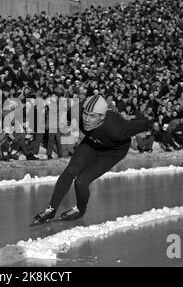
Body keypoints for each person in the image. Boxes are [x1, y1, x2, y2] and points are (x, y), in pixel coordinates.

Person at [33, 95, 151, 225]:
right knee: (70, 171)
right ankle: (51, 209)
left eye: (93, 116)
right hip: (92, 141)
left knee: (81, 181)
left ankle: (80, 209)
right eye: (85, 114)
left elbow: (144, 123)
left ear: (102, 117)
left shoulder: (117, 129)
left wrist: (149, 120)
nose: (87, 120)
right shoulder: (75, 111)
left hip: (113, 151)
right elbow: (66, 118)